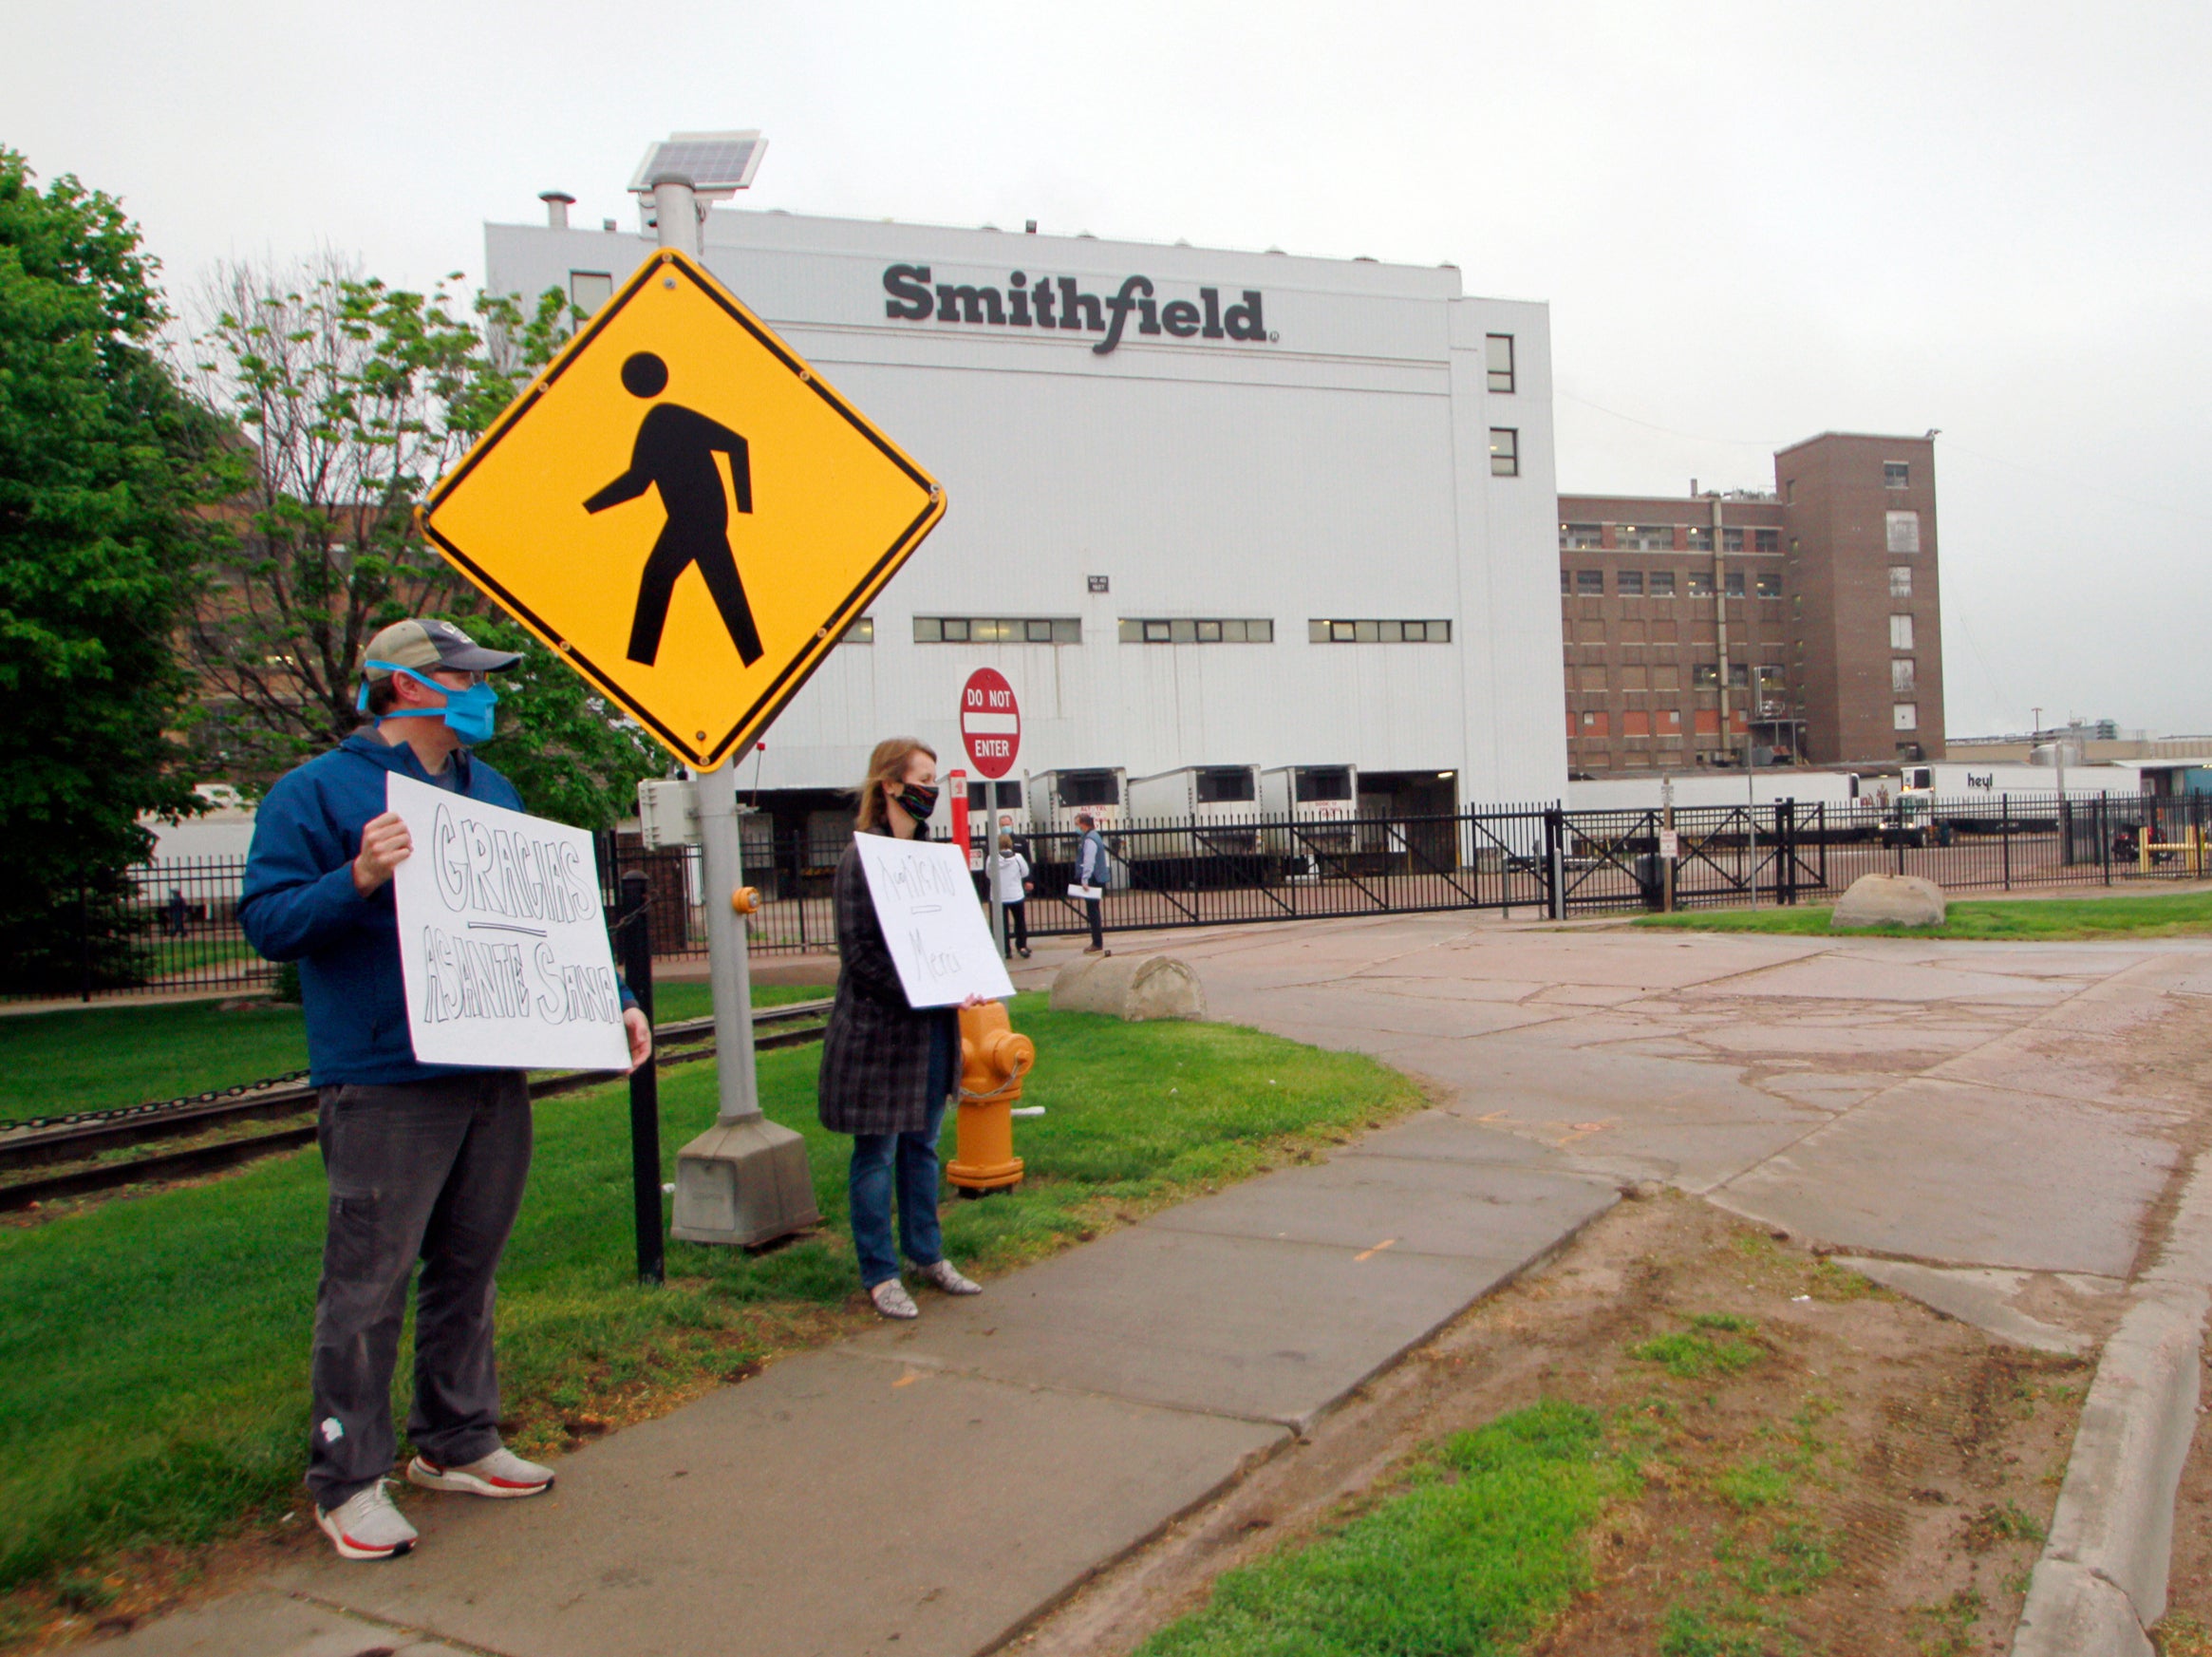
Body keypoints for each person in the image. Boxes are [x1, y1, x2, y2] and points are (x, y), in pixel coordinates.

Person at [239, 618, 651, 1564]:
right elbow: (268, 920)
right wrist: (358, 874)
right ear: (403, 686)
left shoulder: (489, 787)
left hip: (490, 1070)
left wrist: (615, 997)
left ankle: (457, 1436)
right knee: (367, 1284)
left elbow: (546, 916)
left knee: (470, 1265)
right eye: (466, 677)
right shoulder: (316, 791)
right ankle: (347, 1477)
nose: (485, 692)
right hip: (384, 1077)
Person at [817, 738, 984, 1320]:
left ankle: (925, 1254)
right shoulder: (861, 860)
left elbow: (953, 940)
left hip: (932, 1031)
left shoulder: (934, 859)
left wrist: (963, 976)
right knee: (877, 1155)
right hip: (882, 1034)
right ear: (890, 785)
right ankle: (880, 1273)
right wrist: (923, 985)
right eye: (923, 779)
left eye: (935, 781)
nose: (931, 791)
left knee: (923, 1148)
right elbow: (860, 955)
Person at [1074, 810, 1111, 955]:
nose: (1076, 828)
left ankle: (1097, 942)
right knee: (1093, 910)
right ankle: (1096, 941)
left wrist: (1085, 878)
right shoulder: (1094, 836)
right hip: (1097, 877)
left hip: (1093, 879)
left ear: (1084, 824)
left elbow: (1089, 860)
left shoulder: (1089, 839)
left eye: (1077, 824)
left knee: (1093, 911)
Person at [994, 833, 1032, 958]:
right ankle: (1021, 946)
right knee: (1019, 921)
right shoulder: (1018, 857)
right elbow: (1025, 872)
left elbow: (989, 874)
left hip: (999, 896)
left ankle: (1006, 949)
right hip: (1015, 894)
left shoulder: (992, 858)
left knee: (1002, 923)